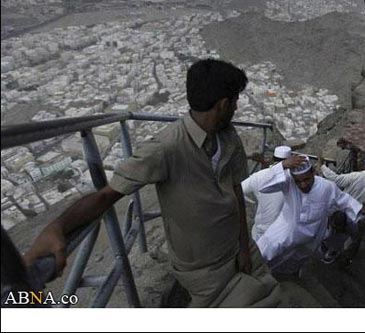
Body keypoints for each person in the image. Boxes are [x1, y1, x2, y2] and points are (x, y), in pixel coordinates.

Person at [22, 59, 282, 308]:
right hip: (204, 267)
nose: (237, 107)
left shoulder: (228, 137)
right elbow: (106, 196)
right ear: (224, 104)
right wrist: (58, 226)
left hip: (238, 248)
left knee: (271, 293)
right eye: (235, 100)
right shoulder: (165, 148)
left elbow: (235, 189)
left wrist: (244, 246)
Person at [254, 154, 363, 275]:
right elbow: (263, 186)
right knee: (265, 254)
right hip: (287, 231)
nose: (303, 185)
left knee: (294, 264)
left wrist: (361, 211)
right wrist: (283, 165)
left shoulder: (326, 187)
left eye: (306, 179)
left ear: (313, 173)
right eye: (298, 181)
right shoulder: (288, 182)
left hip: (310, 239)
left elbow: (346, 201)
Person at [319, 157, 365, 262]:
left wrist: (322, 166)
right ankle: (347, 259)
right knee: (354, 240)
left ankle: (329, 251)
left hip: (343, 213)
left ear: (364, 166)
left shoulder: (355, 176)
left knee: (333, 232)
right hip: (360, 219)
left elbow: (335, 179)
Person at [241, 145, 291, 241]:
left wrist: (251, 201)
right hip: (284, 232)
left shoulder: (259, 176)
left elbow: (240, 189)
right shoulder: (295, 178)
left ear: (273, 159)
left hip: (261, 231)